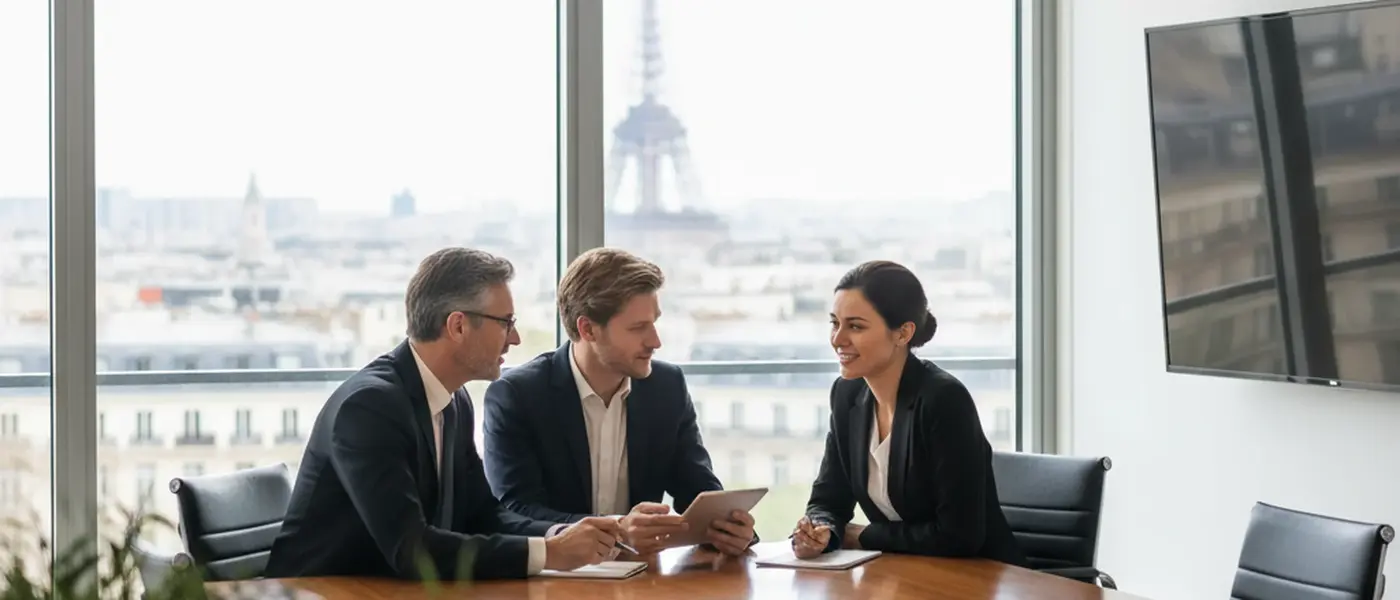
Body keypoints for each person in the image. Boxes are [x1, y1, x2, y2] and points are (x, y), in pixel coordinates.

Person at [265, 248, 623, 581]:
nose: (514, 339)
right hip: (319, 592)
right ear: (457, 326)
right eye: (505, 322)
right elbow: (411, 549)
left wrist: (561, 534)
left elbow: (482, 515)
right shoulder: (370, 407)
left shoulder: (454, 400)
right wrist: (548, 553)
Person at [482, 247, 757, 556]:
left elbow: (697, 489)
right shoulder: (518, 396)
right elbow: (516, 511)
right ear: (587, 329)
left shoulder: (666, 387)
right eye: (638, 327)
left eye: (654, 322)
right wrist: (616, 529)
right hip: (556, 576)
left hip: (641, 578)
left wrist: (728, 528)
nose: (655, 341)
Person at [790, 260, 1026, 566]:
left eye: (856, 326)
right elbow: (827, 500)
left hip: (981, 576)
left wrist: (862, 536)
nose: (837, 339)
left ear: (902, 334)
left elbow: (960, 535)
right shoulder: (847, 395)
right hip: (907, 574)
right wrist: (822, 533)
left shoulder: (943, 399)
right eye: (835, 323)